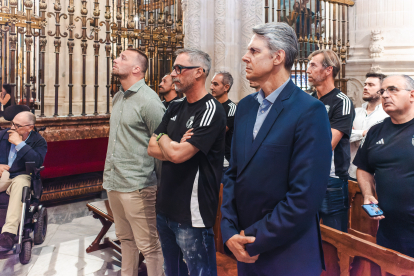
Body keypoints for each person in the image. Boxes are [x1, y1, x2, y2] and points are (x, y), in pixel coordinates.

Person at [220, 22, 332, 276]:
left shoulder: (309, 111)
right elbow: (234, 173)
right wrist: (228, 232)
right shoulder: (246, 107)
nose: (244, 57)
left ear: (278, 57)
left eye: (254, 51)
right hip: (244, 248)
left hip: (287, 252)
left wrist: (252, 237)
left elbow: (304, 197)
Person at [148, 48, 226, 276]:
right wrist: (169, 142)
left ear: (199, 72)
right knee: (172, 271)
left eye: (179, 68)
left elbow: (178, 156)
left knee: (199, 271)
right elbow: (151, 147)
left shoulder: (212, 109)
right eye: (174, 68)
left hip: (192, 213)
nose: (173, 74)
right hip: (165, 207)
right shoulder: (174, 106)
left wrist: (166, 143)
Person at [103, 48, 165, 276]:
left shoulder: (150, 101)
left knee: (149, 246)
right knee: (125, 239)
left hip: (138, 184)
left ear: (137, 69)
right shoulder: (118, 96)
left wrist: (155, 185)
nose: (116, 60)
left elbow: (161, 145)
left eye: (122, 58)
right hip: (114, 180)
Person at [353, 75, 414, 258]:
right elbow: (363, 168)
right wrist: (368, 194)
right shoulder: (376, 131)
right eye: (383, 91)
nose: (385, 95)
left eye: (393, 89)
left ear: (412, 95)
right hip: (389, 228)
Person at [307, 49, 355, 233]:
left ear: (328, 70)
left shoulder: (341, 101)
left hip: (331, 179)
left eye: (313, 65)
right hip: (305, 177)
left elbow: (328, 145)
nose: (308, 70)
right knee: (307, 233)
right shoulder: (308, 100)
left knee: (333, 236)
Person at [0, 108, 47, 251]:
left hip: (22, 174)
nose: (12, 128)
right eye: (12, 124)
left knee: (21, 184)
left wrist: (20, 145)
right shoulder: (2, 135)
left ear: (30, 128)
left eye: (17, 126)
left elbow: (37, 162)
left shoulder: (39, 141)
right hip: (4, 173)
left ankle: (8, 233)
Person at [349, 72, 389, 181]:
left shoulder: (387, 114)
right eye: (365, 84)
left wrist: (355, 134)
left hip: (377, 175)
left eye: (371, 85)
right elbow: (344, 136)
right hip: (352, 171)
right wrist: (363, 133)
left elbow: (383, 140)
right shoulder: (355, 112)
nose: (365, 88)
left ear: (382, 90)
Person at [210, 71, 236, 172]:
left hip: (224, 159)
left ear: (226, 87)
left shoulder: (231, 108)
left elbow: (218, 132)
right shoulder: (210, 106)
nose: (211, 87)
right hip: (208, 156)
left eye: (215, 84)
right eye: (211, 83)